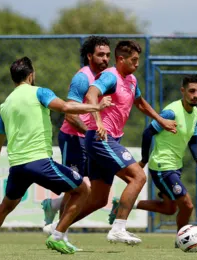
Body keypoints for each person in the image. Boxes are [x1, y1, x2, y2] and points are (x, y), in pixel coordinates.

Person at [0, 56, 113, 256]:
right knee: (82, 189)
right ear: (31, 75)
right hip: (39, 162)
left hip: (18, 166)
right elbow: (65, 107)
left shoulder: (6, 105)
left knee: (5, 206)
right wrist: (96, 107)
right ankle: (57, 235)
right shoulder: (40, 92)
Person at [42, 40, 177, 245]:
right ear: (121, 59)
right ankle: (119, 228)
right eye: (133, 60)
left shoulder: (131, 79)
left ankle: (58, 230)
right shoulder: (110, 76)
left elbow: (139, 103)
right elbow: (92, 93)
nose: (137, 64)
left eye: (138, 60)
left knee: (99, 199)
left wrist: (160, 120)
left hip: (107, 139)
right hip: (100, 138)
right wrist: (97, 120)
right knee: (138, 177)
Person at [108, 74, 197, 247]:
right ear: (183, 91)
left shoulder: (196, 113)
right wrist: (144, 160)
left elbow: (193, 139)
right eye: (192, 91)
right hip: (162, 166)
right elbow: (148, 133)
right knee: (187, 205)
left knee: (169, 208)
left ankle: (124, 204)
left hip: (176, 166)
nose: (195, 95)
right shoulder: (171, 112)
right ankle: (182, 242)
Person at [41, 36, 111, 250]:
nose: (105, 59)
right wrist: (88, 132)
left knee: (89, 189)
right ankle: (61, 237)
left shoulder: (106, 78)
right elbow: (70, 113)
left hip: (89, 140)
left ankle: (53, 205)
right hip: (73, 138)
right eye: (100, 55)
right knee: (75, 188)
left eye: (108, 55)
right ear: (89, 56)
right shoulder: (83, 78)